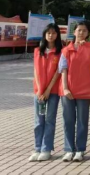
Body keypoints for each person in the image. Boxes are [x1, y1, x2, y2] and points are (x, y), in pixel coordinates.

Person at [30, 23, 63, 162]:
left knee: (50, 120)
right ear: (44, 34)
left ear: (57, 35)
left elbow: (58, 72)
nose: (51, 35)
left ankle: (46, 149)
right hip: (39, 92)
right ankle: (37, 148)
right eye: (48, 33)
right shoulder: (38, 51)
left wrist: (48, 90)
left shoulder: (60, 52)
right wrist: (39, 89)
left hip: (53, 91)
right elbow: (36, 70)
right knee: (39, 121)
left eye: (54, 33)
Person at [59, 20, 90, 162]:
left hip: (84, 91)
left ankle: (80, 149)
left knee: (82, 120)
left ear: (88, 33)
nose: (81, 33)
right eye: (79, 30)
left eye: (84, 30)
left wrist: (87, 48)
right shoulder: (66, 50)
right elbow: (63, 70)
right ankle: (69, 149)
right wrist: (65, 88)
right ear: (74, 32)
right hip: (68, 91)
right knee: (68, 120)